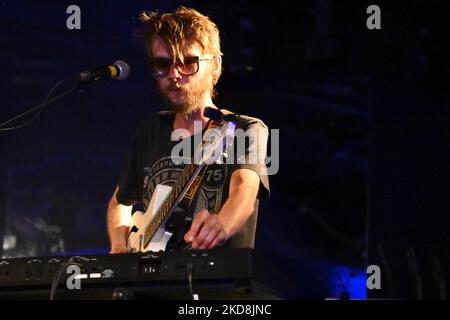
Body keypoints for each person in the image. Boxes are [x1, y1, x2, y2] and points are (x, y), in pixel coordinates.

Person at [107, 6, 270, 253]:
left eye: (188, 62)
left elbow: (244, 189)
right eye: (163, 64)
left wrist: (223, 224)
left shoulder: (247, 128)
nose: (174, 74)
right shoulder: (150, 130)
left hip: (215, 285)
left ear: (215, 66)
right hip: (150, 286)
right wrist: (119, 247)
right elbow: (119, 202)